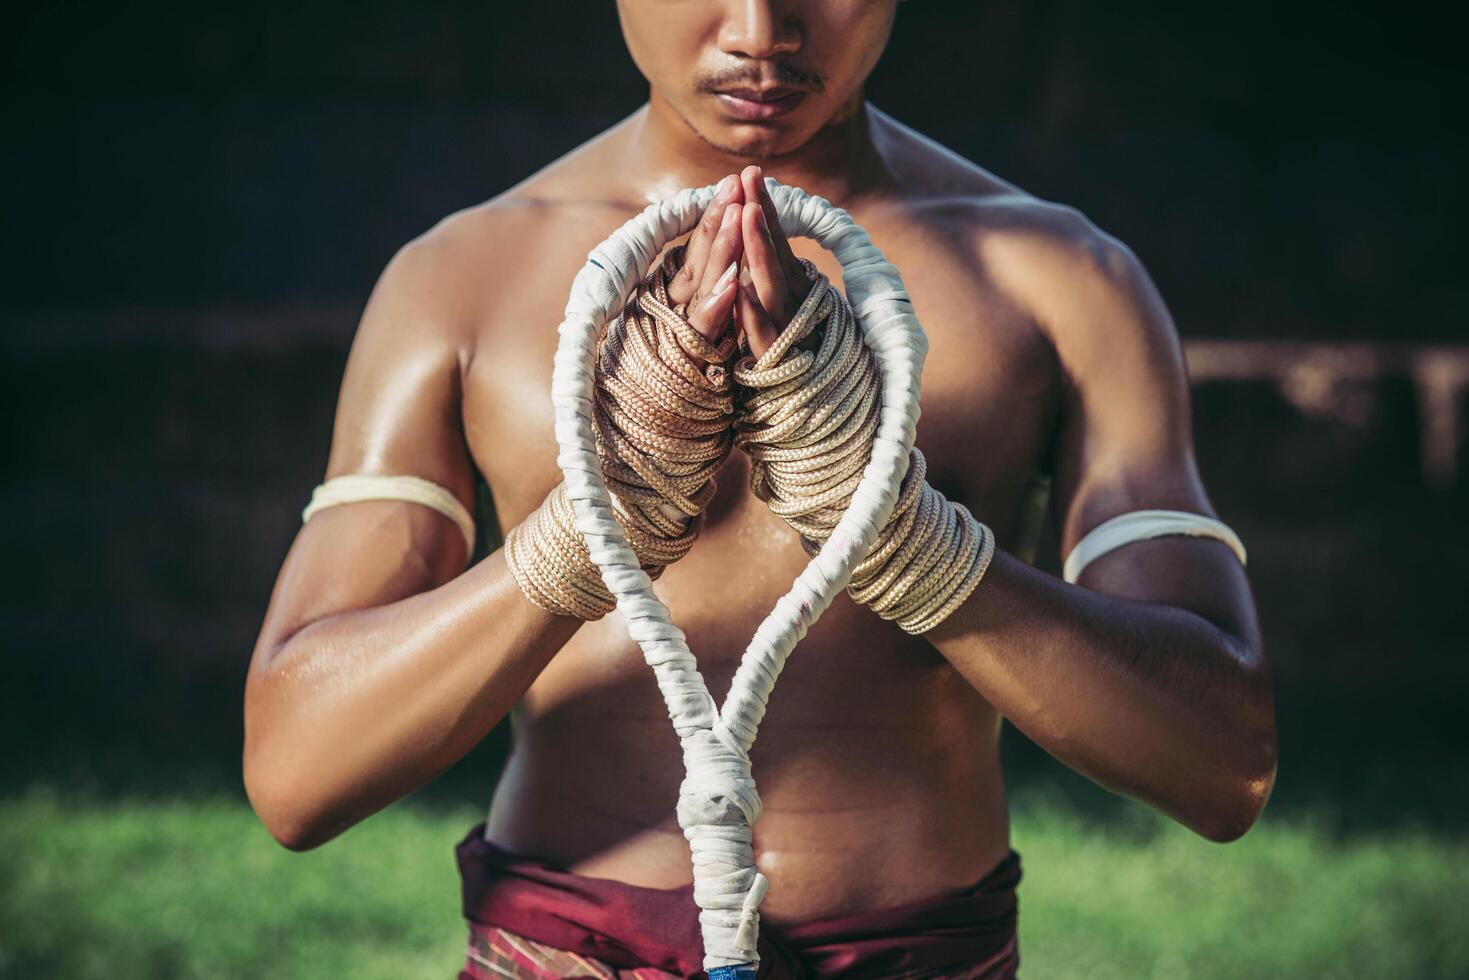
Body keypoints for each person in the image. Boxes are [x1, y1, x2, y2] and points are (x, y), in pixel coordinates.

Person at [243, 2, 1278, 977]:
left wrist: (900, 543)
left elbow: (1221, 762)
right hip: (559, 949)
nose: (759, 32)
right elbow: (296, 771)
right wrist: (595, 525)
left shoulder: (1059, 277)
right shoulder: (461, 275)